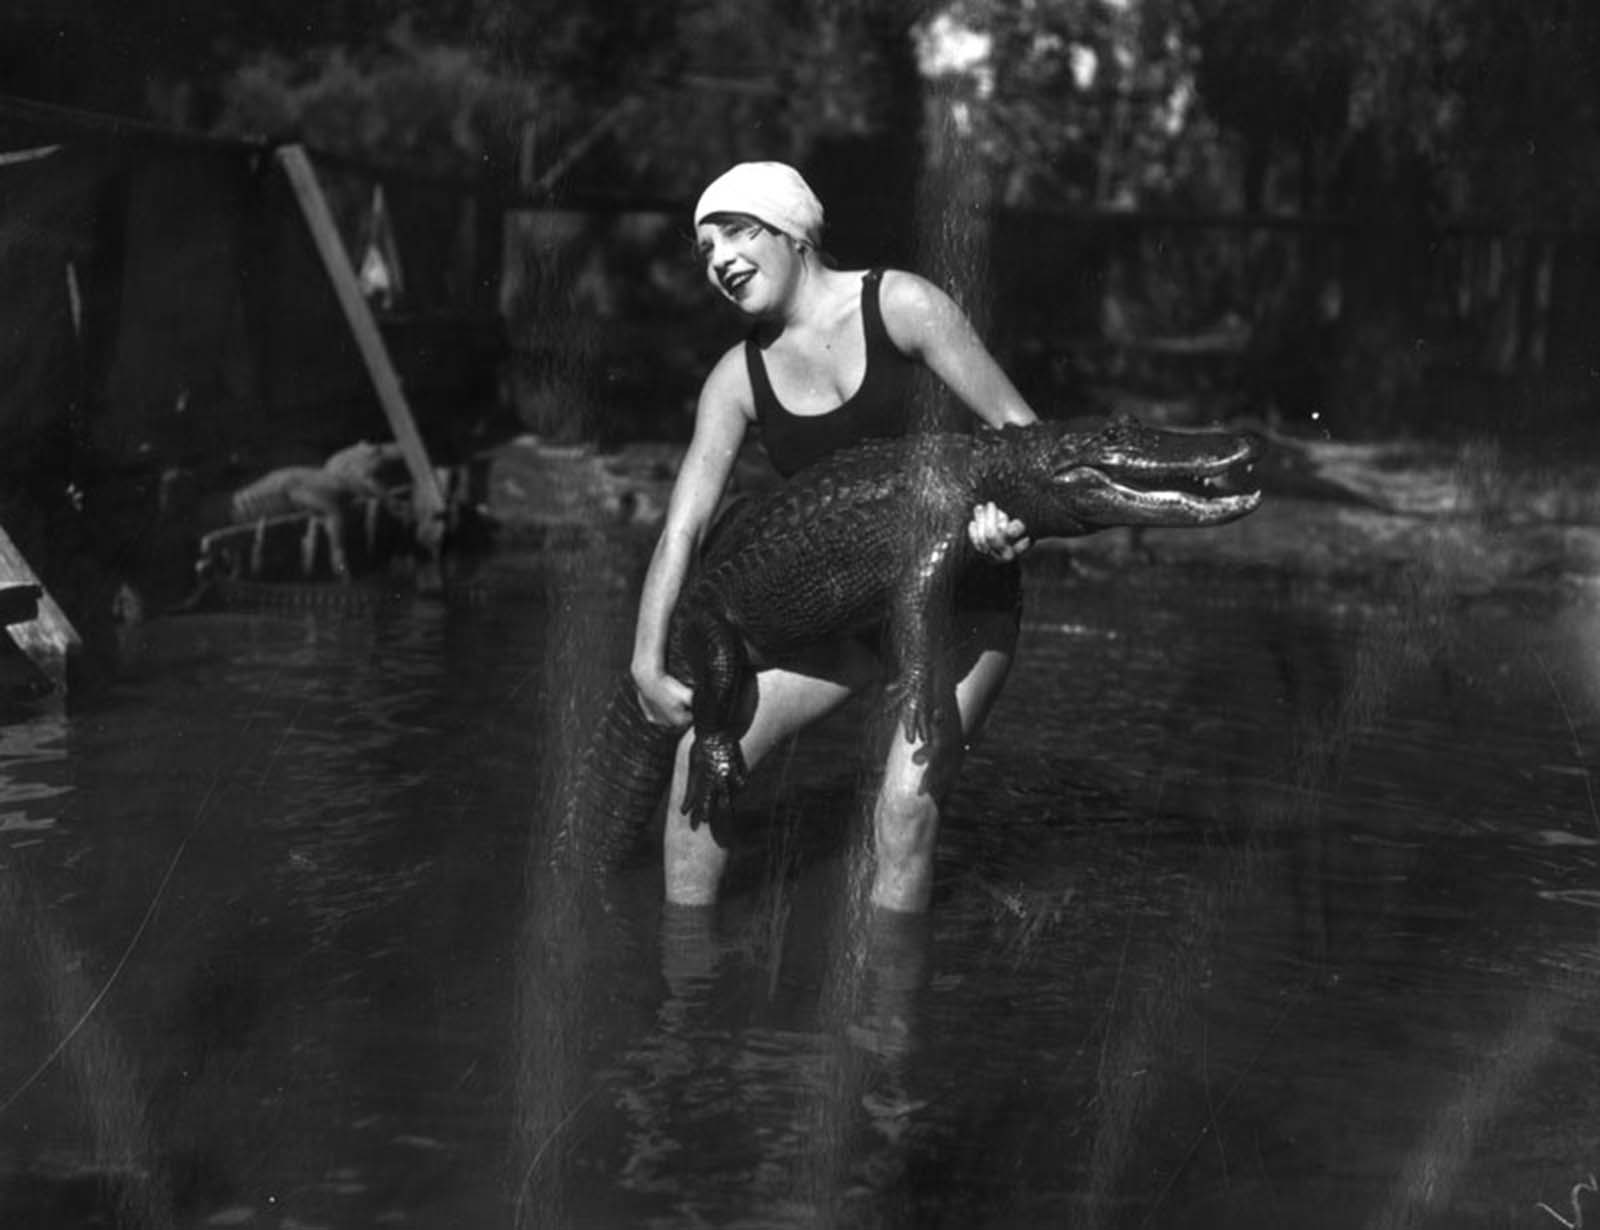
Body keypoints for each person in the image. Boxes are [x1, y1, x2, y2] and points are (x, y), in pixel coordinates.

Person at [631, 161, 1037, 914]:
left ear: (793, 233)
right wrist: (645, 661)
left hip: (962, 603)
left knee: (903, 812)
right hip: (844, 617)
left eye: (735, 231)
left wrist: (1008, 523)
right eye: (703, 246)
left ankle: (887, 1017)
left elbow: (1025, 441)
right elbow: (681, 529)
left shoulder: (904, 305)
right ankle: (683, 994)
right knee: (701, 763)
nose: (717, 258)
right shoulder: (736, 378)